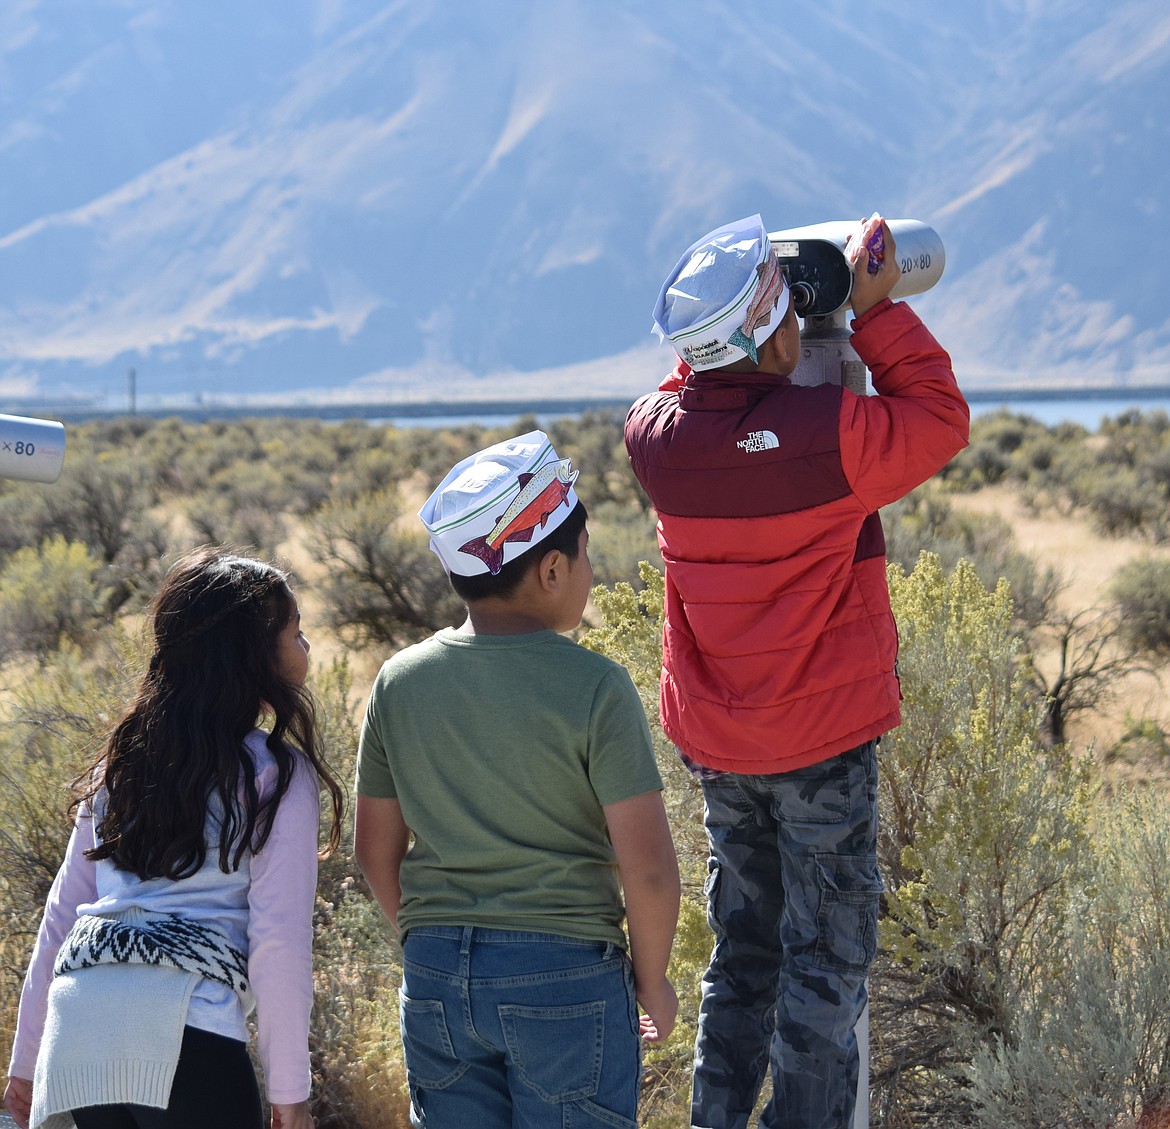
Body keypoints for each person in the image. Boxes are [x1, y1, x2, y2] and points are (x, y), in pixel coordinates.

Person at [624, 214, 970, 1129]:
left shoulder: (653, 439)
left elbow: (692, 391)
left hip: (722, 748)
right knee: (825, 961)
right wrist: (872, 310)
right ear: (772, 334)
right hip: (821, 745)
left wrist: (744, 335)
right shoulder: (833, 438)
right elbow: (940, 418)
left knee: (743, 954)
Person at [353, 430, 681, 1129]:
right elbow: (648, 870)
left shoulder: (398, 682)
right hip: (564, 980)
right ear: (553, 569)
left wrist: (431, 943)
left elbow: (374, 852)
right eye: (586, 555)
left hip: (437, 974)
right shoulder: (596, 686)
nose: (591, 572)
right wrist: (652, 985)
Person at [3, 548, 345, 1129]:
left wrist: (25, 1060)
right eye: (297, 632)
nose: (307, 646)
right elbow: (278, 940)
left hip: (79, 1022)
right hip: (189, 1032)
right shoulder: (274, 774)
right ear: (253, 658)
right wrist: (291, 1088)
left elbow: (62, 914)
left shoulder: (121, 764)